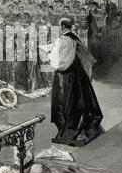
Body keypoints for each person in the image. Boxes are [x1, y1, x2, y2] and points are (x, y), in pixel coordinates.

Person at [42, 18, 103, 146]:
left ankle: (70, 130)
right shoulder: (73, 38)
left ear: (63, 26)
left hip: (66, 75)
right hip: (77, 72)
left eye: (60, 25)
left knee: (65, 100)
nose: (59, 27)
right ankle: (81, 127)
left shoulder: (62, 39)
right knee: (79, 99)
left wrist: (48, 56)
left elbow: (59, 61)